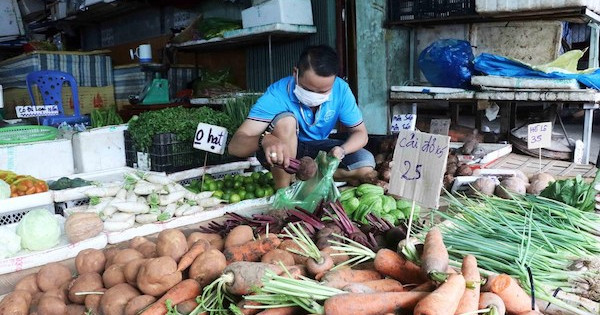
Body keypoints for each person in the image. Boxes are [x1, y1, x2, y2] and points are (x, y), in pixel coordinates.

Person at [228, 45, 375, 188]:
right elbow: (235, 146)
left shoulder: (341, 89)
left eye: (323, 92)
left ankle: (302, 175)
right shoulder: (276, 95)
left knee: (365, 164)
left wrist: (342, 150)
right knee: (286, 120)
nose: (315, 96)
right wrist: (264, 139)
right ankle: (284, 191)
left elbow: (361, 133)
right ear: (295, 73)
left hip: (318, 149)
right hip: (283, 154)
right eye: (308, 89)